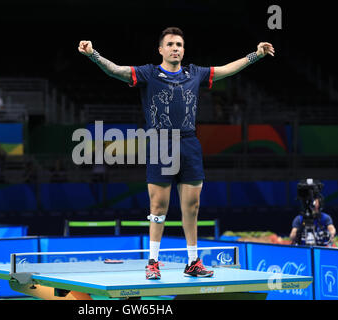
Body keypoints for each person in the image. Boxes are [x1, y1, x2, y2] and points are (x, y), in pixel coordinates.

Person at [78, 27, 274, 279]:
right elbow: (116, 70)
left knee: (191, 206)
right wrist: (93, 54)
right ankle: (153, 262)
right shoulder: (148, 73)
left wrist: (255, 55)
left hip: (190, 144)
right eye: (170, 44)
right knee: (158, 206)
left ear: (183, 50)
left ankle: (193, 261)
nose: (175, 48)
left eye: (179, 44)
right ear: (160, 49)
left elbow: (226, 69)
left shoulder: (195, 73)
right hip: (161, 144)